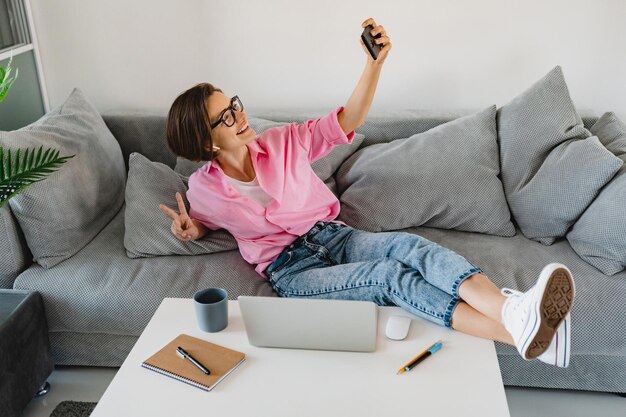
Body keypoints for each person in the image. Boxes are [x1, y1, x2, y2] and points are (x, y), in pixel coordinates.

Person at [159, 18, 575, 368]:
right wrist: (191, 229)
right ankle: (530, 338)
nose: (239, 115)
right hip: (294, 271)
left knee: (412, 249)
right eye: (225, 116)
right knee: (387, 278)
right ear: (206, 140)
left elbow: (346, 120)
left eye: (234, 103)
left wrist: (374, 64)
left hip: (334, 236)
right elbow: (204, 222)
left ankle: (514, 313)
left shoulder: (282, 142)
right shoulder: (204, 189)